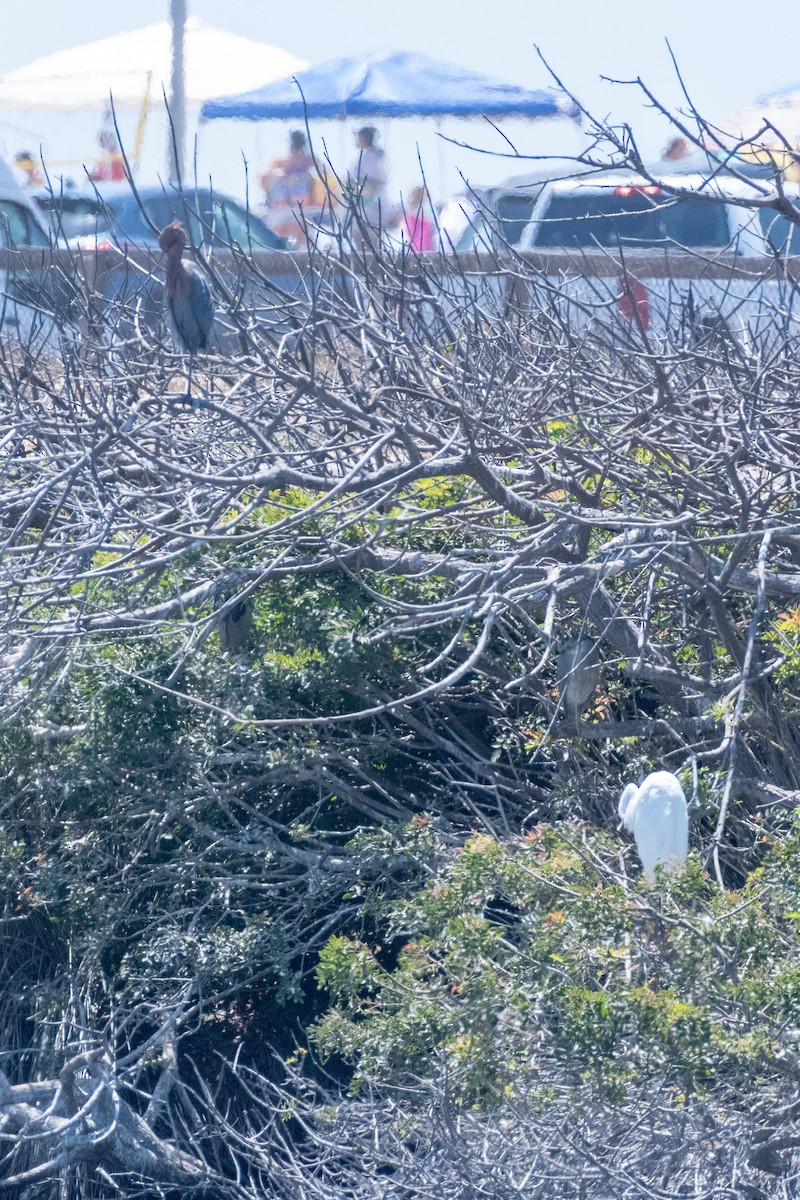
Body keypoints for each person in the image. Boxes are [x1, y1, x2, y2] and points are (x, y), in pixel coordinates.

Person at [259, 130, 315, 237]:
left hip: (295, 209)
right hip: (291, 209)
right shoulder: (309, 161)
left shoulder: (282, 162)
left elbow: (264, 180)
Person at [350, 126, 386, 207]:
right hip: (362, 195)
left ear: (363, 139)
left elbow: (372, 178)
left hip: (368, 199)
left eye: (358, 137)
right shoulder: (365, 154)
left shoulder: (370, 156)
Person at [399, 185, 436, 251]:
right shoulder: (429, 211)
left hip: (412, 252)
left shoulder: (408, 217)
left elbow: (406, 235)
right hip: (427, 251)